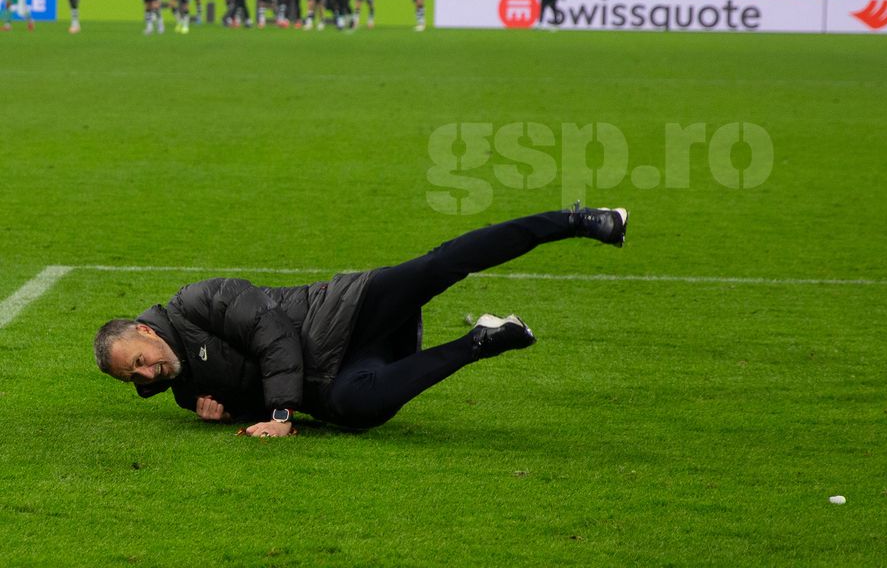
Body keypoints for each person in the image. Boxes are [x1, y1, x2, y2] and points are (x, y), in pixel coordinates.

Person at [93, 205, 629, 435]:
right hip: (336, 372)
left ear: (145, 331)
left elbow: (272, 333)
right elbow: (253, 397)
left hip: (342, 311)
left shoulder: (197, 301)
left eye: (138, 362)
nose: (144, 376)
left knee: (440, 265)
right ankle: (483, 340)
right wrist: (229, 414)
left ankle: (578, 221)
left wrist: (281, 411)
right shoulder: (187, 394)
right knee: (358, 409)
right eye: (131, 378)